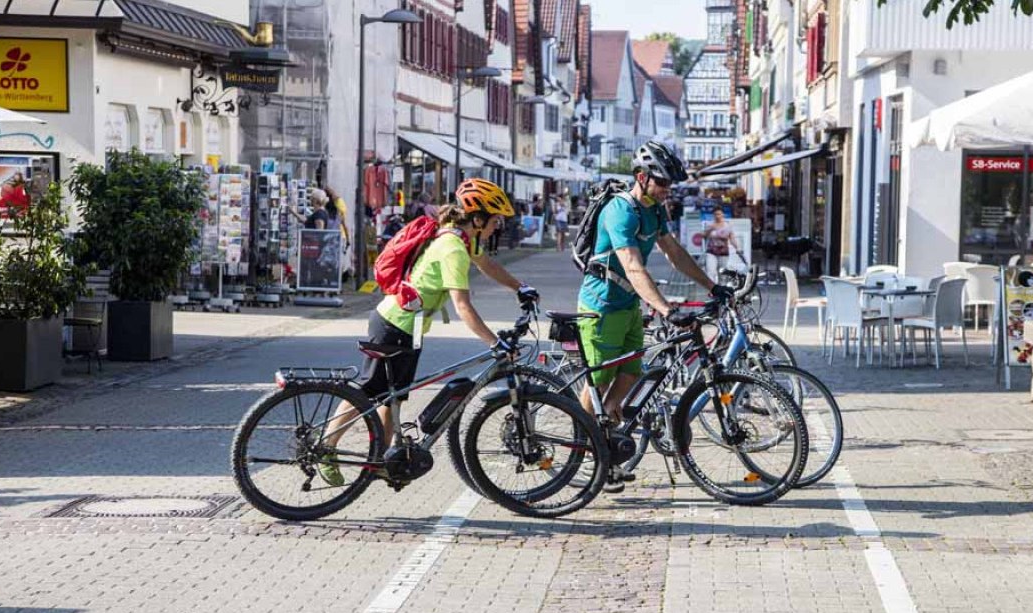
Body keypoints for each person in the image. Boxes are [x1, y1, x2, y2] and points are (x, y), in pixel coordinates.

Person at [318, 178, 540, 486]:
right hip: (394, 324)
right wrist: (494, 342)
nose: (497, 227)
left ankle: (382, 460)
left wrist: (520, 287)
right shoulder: (453, 248)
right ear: (478, 218)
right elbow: (462, 306)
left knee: (392, 399)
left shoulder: (461, 238)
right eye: (495, 220)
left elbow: (487, 264)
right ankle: (325, 447)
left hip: (408, 328)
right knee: (368, 393)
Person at [576, 141, 733, 440]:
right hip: (602, 306)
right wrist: (667, 310)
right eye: (661, 182)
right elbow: (633, 266)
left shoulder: (656, 211)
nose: (667, 189)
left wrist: (712, 287)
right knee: (598, 380)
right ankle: (582, 450)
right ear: (641, 177)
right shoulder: (620, 211)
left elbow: (675, 253)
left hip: (628, 306)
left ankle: (605, 436)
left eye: (669, 183)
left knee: (632, 373)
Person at [701, 208, 742, 281]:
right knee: (711, 272)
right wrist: (710, 229)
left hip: (723, 253)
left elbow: (732, 238)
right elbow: (703, 236)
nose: (718, 216)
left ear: (722, 215)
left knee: (722, 274)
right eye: (716, 214)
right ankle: (712, 290)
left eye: (719, 214)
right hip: (711, 252)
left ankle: (721, 290)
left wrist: (737, 248)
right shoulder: (710, 224)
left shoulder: (727, 226)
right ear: (713, 215)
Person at [323, 185, 352, 276]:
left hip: (329, 237)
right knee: (338, 259)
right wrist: (348, 239)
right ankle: (337, 279)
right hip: (340, 236)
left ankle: (331, 278)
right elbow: (345, 225)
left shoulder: (325, 211)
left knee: (328, 259)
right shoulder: (339, 207)